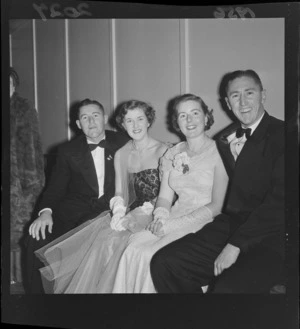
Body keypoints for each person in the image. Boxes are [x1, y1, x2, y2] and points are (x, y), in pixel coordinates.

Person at [150, 70, 285, 293]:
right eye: (235, 96)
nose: (242, 102)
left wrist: (235, 244)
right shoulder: (225, 139)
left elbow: (279, 204)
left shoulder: (285, 136)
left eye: (249, 93)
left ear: (263, 95)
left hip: (273, 234)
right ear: (227, 103)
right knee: (165, 263)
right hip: (230, 225)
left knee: (225, 289)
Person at [34, 100, 168, 293]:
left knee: (123, 248)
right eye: (129, 121)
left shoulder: (161, 150)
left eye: (140, 119)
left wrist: (137, 213)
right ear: (78, 123)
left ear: (149, 121)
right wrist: (120, 212)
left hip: (154, 211)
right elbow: (120, 192)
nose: (135, 125)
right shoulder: (122, 152)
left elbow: (167, 194)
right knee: (102, 244)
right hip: (103, 211)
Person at [109, 93, 229, 293]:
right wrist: (160, 217)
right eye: (182, 115)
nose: (189, 120)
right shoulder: (172, 153)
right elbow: (164, 197)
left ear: (206, 117)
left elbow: (217, 206)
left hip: (205, 221)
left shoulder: (220, 152)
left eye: (194, 113)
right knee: (133, 248)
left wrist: (172, 225)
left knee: (150, 255)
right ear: (177, 122)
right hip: (175, 213)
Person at [25, 98, 129, 293]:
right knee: (36, 236)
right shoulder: (67, 151)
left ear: (105, 118)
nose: (91, 122)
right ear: (79, 124)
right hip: (73, 211)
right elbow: (54, 189)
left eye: (95, 116)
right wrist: (45, 213)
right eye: (85, 117)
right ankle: (34, 301)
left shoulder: (123, 143)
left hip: (108, 212)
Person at [10, 67, 45, 284]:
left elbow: (32, 150)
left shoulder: (23, 109)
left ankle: (17, 282)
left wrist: (32, 187)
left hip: (18, 183)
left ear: (14, 86)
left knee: (17, 232)